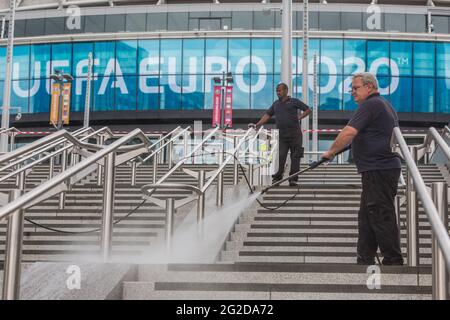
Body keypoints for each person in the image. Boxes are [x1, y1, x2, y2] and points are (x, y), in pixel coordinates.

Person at [321, 72, 404, 266]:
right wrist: (339, 150)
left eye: (355, 88)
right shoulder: (384, 105)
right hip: (378, 168)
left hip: (379, 168)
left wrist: (330, 152)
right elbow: (364, 137)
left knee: (380, 212)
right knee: (367, 215)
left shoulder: (371, 104)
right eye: (351, 88)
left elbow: (349, 132)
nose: (352, 92)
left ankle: (393, 258)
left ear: (369, 87)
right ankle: (364, 258)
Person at [250, 83, 311, 186]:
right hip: (282, 136)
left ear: (286, 90)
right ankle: (278, 177)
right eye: (277, 91)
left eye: (280, 90)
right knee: (281, 156)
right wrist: (257, 125)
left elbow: (308, 110)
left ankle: (293, 179)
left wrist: (299, 117)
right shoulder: (276, 104)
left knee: (295, 157)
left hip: (295, 134)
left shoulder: (294, 101)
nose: (278, 92)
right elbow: (267, 115)